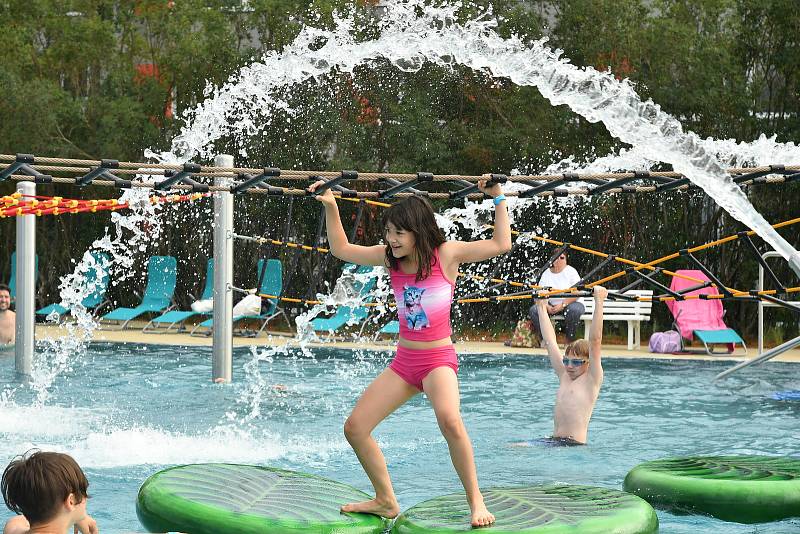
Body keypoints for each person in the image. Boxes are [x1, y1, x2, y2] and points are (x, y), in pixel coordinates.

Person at [309, 177, 511, 527]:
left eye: (398, 233)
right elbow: (341, 249)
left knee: (450, 421)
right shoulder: (390, 260)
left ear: (418, 231)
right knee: (355, 428)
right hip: (405, 362)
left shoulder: (446, 254)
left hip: (437, 361)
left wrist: (498, 199)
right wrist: (330, 204)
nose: (391, 240)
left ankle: (476, 501)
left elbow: (501, 243)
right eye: (388, 232)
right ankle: (386, 500)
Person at [535, 285, 607, 446]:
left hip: (573, 445)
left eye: (575, 362)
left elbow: (595, 341)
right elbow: (550, 341)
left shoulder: (592, 380)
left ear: (588, 363)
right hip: (554, 442)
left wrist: (599, 301)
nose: (569, 366)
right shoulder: (564, 375)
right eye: (566, 361)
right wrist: (541, 306)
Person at [2, 450, 98, 534]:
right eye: (84, 492)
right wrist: (75, 518)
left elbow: (14, 522)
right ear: (71, 501)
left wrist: (75, 516)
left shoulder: (13, 530)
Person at [527, 251, 583, 346]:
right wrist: (546, 306)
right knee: (534, 310)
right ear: (552, 259)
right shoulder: (546, 273)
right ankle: (545, 339)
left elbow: (577, 293)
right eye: (557, 257)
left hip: (570, 303)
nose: (559, 260)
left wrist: (562, 305)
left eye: (562, 258)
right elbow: (539, 294)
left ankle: (569, 341)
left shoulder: (571, 271)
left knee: (574, 310)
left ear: (566, 259)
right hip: (550, 305)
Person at [0, 284, 15, 349]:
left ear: (10, 299)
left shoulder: (16, 318)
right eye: (0, 296)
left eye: (6, 297)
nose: (3, 300)